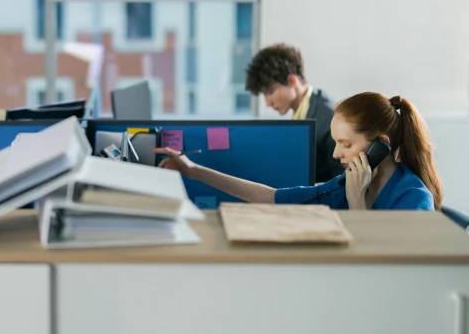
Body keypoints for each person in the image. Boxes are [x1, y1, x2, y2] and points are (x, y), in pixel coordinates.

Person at [156, 92, 441, 211]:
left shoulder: (414, 199)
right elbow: (269, 197)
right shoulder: (346, 184)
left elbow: (381, 269)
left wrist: (357, 203)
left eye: (347, 144)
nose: (335, 154)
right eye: (336, 142)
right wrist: (193, 171)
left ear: (381, 145)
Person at [245, 43, 344, 183]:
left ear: (292, 80)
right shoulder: (302, 114)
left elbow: (342, 182)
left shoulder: (329, 117)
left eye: (270, 92)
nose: (267, 102)